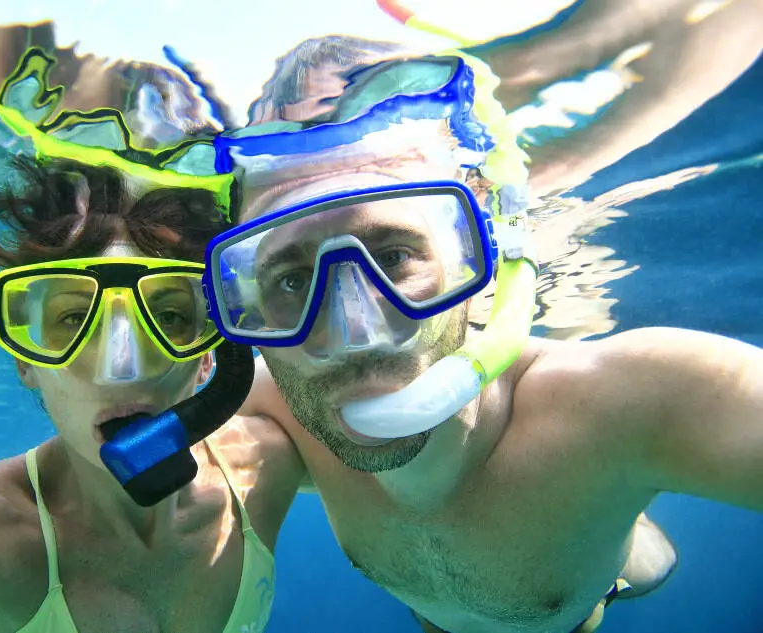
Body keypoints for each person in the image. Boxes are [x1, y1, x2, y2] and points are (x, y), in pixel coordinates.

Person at [201, 37, 763, 633]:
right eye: (291, 280)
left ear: (481, 256)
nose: (355, 334)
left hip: (585, 608)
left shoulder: (625, 403)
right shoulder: (268, 410)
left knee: (648, 566)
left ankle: (630, 539)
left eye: (393, 255)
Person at [0, 143, 307, 633]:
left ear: (210, 356)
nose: (122, 368)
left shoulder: (267, 467)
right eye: (73, 319)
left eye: (169, 316)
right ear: (24, 360)